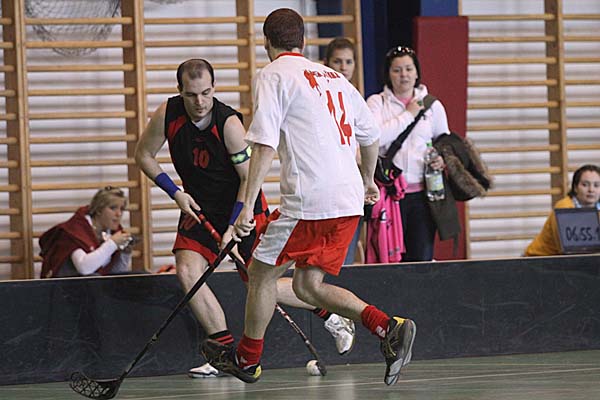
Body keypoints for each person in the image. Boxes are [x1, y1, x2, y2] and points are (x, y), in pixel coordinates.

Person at [201, 8, 416, 386]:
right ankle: (388, 327)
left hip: (309, 202)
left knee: (260, 274)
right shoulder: (335, 78)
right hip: (348, 202)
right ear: (302, 41)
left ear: (266, 42)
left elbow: (264, 144)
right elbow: (370, 136)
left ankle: (247, 360)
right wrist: (368, 181)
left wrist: (246, 208)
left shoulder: (273, 74)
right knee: (307, 286)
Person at [135, 58, 355, 379]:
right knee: (187, 271)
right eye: (191, 95)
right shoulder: (168, 114)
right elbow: (143, 155)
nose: (200, 102)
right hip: (198, 208)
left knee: (258, 283)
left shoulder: (229, 124)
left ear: (214, 88)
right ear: (179, 91)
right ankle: (224, 353)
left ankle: (331, 314)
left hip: (242, 210)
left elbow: (247, 178)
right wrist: (175, 193)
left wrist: (233, 226)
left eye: (206, 93)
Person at [366, 46, 450, 262]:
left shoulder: (433, 105)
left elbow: (445, 141)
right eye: (397, 70)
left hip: (423, 195)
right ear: (388, 74)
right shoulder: (376, 102)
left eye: (409, 69)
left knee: (422, 259)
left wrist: (442, 158)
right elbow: (374, 139)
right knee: (389, 260)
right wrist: (408, 115)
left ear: (417, 72)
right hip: (389, 195)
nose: (404, 75)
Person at [39, 186, 133, 278]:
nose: (119, 214)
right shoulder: (75, 229)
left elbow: (113, 276)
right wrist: (112, 244)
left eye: (122, 209)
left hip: (91, 285)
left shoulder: (113, 232)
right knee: (94, 278)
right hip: (64, 285)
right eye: (113, 208)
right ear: (99, 210)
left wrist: (124, 254)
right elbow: (84, 268)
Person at [324, 37, 361, 265]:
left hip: (351, 189)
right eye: (337, 61)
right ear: (326, 63)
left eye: (348, 62)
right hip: (324, 186)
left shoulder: (355, 98)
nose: (343, 67)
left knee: (344, 260)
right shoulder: (318, 97)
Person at [525, 164, 600, 256]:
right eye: (585, 185)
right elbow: (566, 249)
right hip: (538, 258)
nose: (591, 190)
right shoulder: (564, 208)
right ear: (575, 188)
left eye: (596, 185)